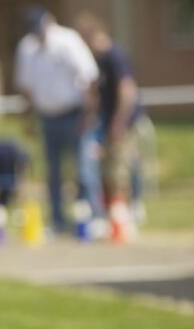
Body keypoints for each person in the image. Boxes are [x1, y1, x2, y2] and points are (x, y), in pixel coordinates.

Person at [13, 7, 99, 234]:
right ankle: (58, 220)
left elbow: (88, 77)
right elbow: (27, 89)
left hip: (74, 114)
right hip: (47, 117)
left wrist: (89, 114)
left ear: (48, 23)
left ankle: (92, 218)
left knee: (83, 169)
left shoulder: (67, 41)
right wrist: (27, 121)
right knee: (53, 172)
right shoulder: (27, 48)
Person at [73, 11, 145, 231]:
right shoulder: (99, 61)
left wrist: (118, 123)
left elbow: (127, 90)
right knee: (105, 169)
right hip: (107, 123)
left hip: (123, 122)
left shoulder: (115, 56)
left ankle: (125, 216)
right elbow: (96, 93)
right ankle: (113, 216)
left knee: (120, 170)